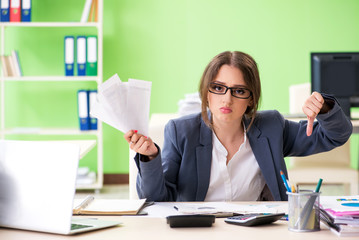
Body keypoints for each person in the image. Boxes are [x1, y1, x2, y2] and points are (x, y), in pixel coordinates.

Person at [124, 51, 352, 202]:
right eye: (218, 87)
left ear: (251, 99)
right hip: (200, 231)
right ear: (206, 93)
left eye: (239, 90)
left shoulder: (271, 127)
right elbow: (156, 201)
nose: (227, 99)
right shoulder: (181, 131)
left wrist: (325, 107)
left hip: (257, 231)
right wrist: (150, 157)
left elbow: (336, 136)